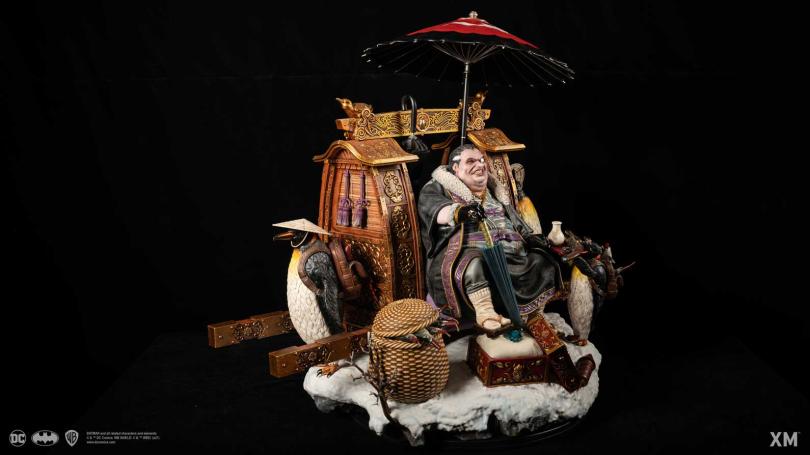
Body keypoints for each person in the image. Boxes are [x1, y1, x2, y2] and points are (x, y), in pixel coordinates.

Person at [418, 144, 562, 334]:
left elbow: (516, 222)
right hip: (467, 253)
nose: (479, 165)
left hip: (511, 254)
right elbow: (433, 209)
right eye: (471, 161)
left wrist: (530, 238)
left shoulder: (496, 191)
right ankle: (485, 314)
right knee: (474, 263)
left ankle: (533, 316)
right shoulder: (438, 187)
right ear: (456, 168)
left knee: (542, 261)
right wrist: (460, 212)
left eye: (481, 160)